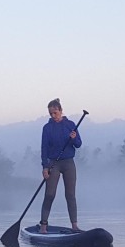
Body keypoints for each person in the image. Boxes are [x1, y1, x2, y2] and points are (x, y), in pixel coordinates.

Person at [39, 98, 82, 232]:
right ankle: (43, 226)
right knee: (50, 194)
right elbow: (44, 148)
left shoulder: (70, 124)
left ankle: (74, 226)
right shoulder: (47, 128)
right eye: (51, 113)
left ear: (61, 111)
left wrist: (74, 138)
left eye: (55, 113)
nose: (53, 116)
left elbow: (79, 144)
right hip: (53, 163)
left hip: (69, 163)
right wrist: (45, 167)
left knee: (70, 195)